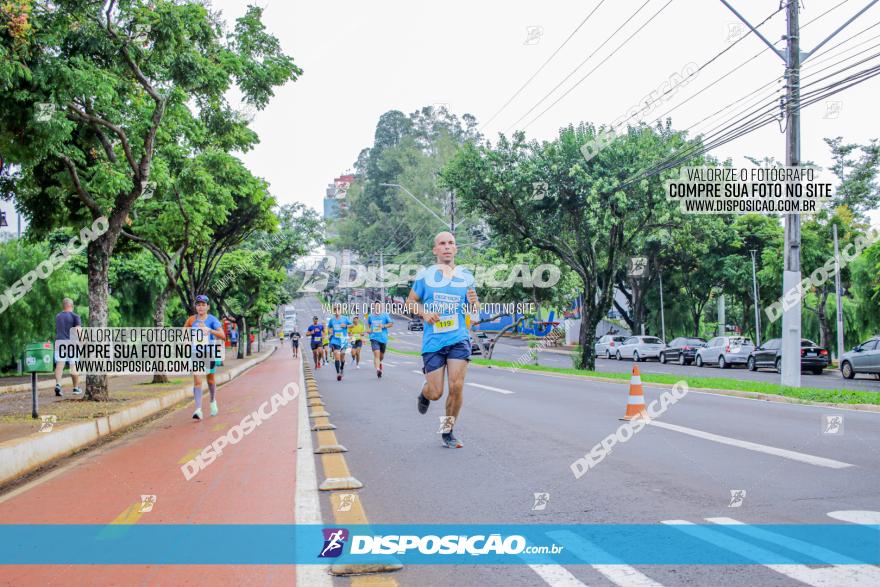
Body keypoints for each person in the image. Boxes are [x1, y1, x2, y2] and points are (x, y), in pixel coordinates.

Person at [406, 231, 479, 449]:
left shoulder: (466, 276)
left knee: (456, 387)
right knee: (436, 392)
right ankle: (425, 392)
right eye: (442, 244)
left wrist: (474, 304)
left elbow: (474, 314)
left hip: (458, 338)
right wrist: (424, 314)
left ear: (456, 249)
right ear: (435, 250)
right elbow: (410, 302)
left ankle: (447, 431)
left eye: (451, 243)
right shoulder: (425, 276)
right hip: (434, 341)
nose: (447, 247)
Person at [184, 295, 226, 420]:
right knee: (197, 381)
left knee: (211, 380)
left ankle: (212, 401)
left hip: (209, 354)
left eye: (203, 305)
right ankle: (198, 410)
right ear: (195, 306)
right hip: (195, 354)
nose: (201, 307)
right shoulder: (191, 320)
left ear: (207, 306)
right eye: (198, 304)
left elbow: (223, 335)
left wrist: (210, 330)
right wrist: (186, 341)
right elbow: (184, 332)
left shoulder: (212, 320)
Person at [53, 298, 82, 397]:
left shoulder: (58, 316)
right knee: (73, 365)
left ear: (63, 306)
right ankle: (76, 388)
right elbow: (78, 331)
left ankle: (58, 384)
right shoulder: (75, 316)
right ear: (72, 306)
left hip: (59, 342)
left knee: (59, 365)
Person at [367, 301, 393, 378]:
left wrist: (384, 326)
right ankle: (378, 369)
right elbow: (368, 325)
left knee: (381, 356)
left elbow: (391, 324)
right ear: (374, 307)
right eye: (376, 306)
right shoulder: (370, 316)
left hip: (383, 339)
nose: (377, 307)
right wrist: (369, 330)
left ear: (381, 307)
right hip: (374, 338)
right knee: (376, 355)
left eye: (379, 306)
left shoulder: (385, 315)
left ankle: (379, 364)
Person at [327, 305, 353, 382]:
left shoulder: (345, 318)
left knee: (342, 355)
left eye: (338, 309)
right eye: (335, 309)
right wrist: (330, 331)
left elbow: (351, 325)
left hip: (343, 340)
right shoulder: (332, 320)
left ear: (340, 310)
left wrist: (346, 326)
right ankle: (338, 373)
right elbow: (329, 327)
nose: (337, 311)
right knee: (336, 355)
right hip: (335, 340)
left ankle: (341, 368)